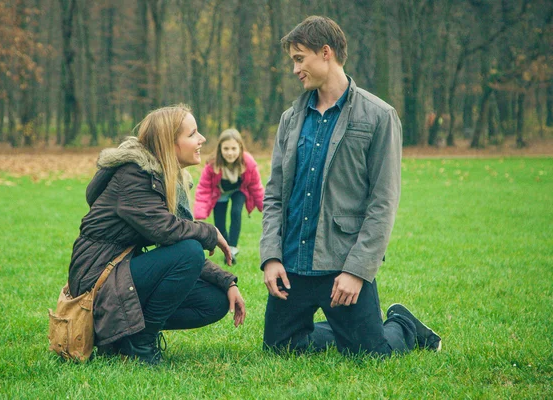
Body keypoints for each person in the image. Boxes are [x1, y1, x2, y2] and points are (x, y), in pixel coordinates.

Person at [260, 16, 441, 357]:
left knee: (371, 354)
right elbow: (274, 194)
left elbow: (383, 201)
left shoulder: (379, 116)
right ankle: (343, 328)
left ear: (325, 53)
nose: (295, 69)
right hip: (293, 266)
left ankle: (401, 324)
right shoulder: (290, 119)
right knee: (279, 349)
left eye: (300, 59)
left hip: (341, 266)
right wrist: (271, 256)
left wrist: (357, 271)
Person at [67, 104, 246, 366]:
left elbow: (180, 243)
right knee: (190, 251)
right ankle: (140, 343)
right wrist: (210, 231)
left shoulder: (167, 177)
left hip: (121, 271)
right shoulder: (134, 176)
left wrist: (227, 282)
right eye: (193, 133)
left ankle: (125, 336)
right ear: (170, 143)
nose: (202, 139)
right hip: (96, 279)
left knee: (215, 302)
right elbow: (167, 231)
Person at [194, 128, 264, 264]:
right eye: (226, 149)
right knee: (219, 223)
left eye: (233, 148)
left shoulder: (248, 162)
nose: (230, 153)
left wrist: (263, 206)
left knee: (236, 212)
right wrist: (200, 212)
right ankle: (226, 247)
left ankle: (232, 248)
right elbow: (204, 189)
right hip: (220, 193)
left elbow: (256, 187)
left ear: (240, 148)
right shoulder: (213, 164)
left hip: (239, 190)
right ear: (220, 149)